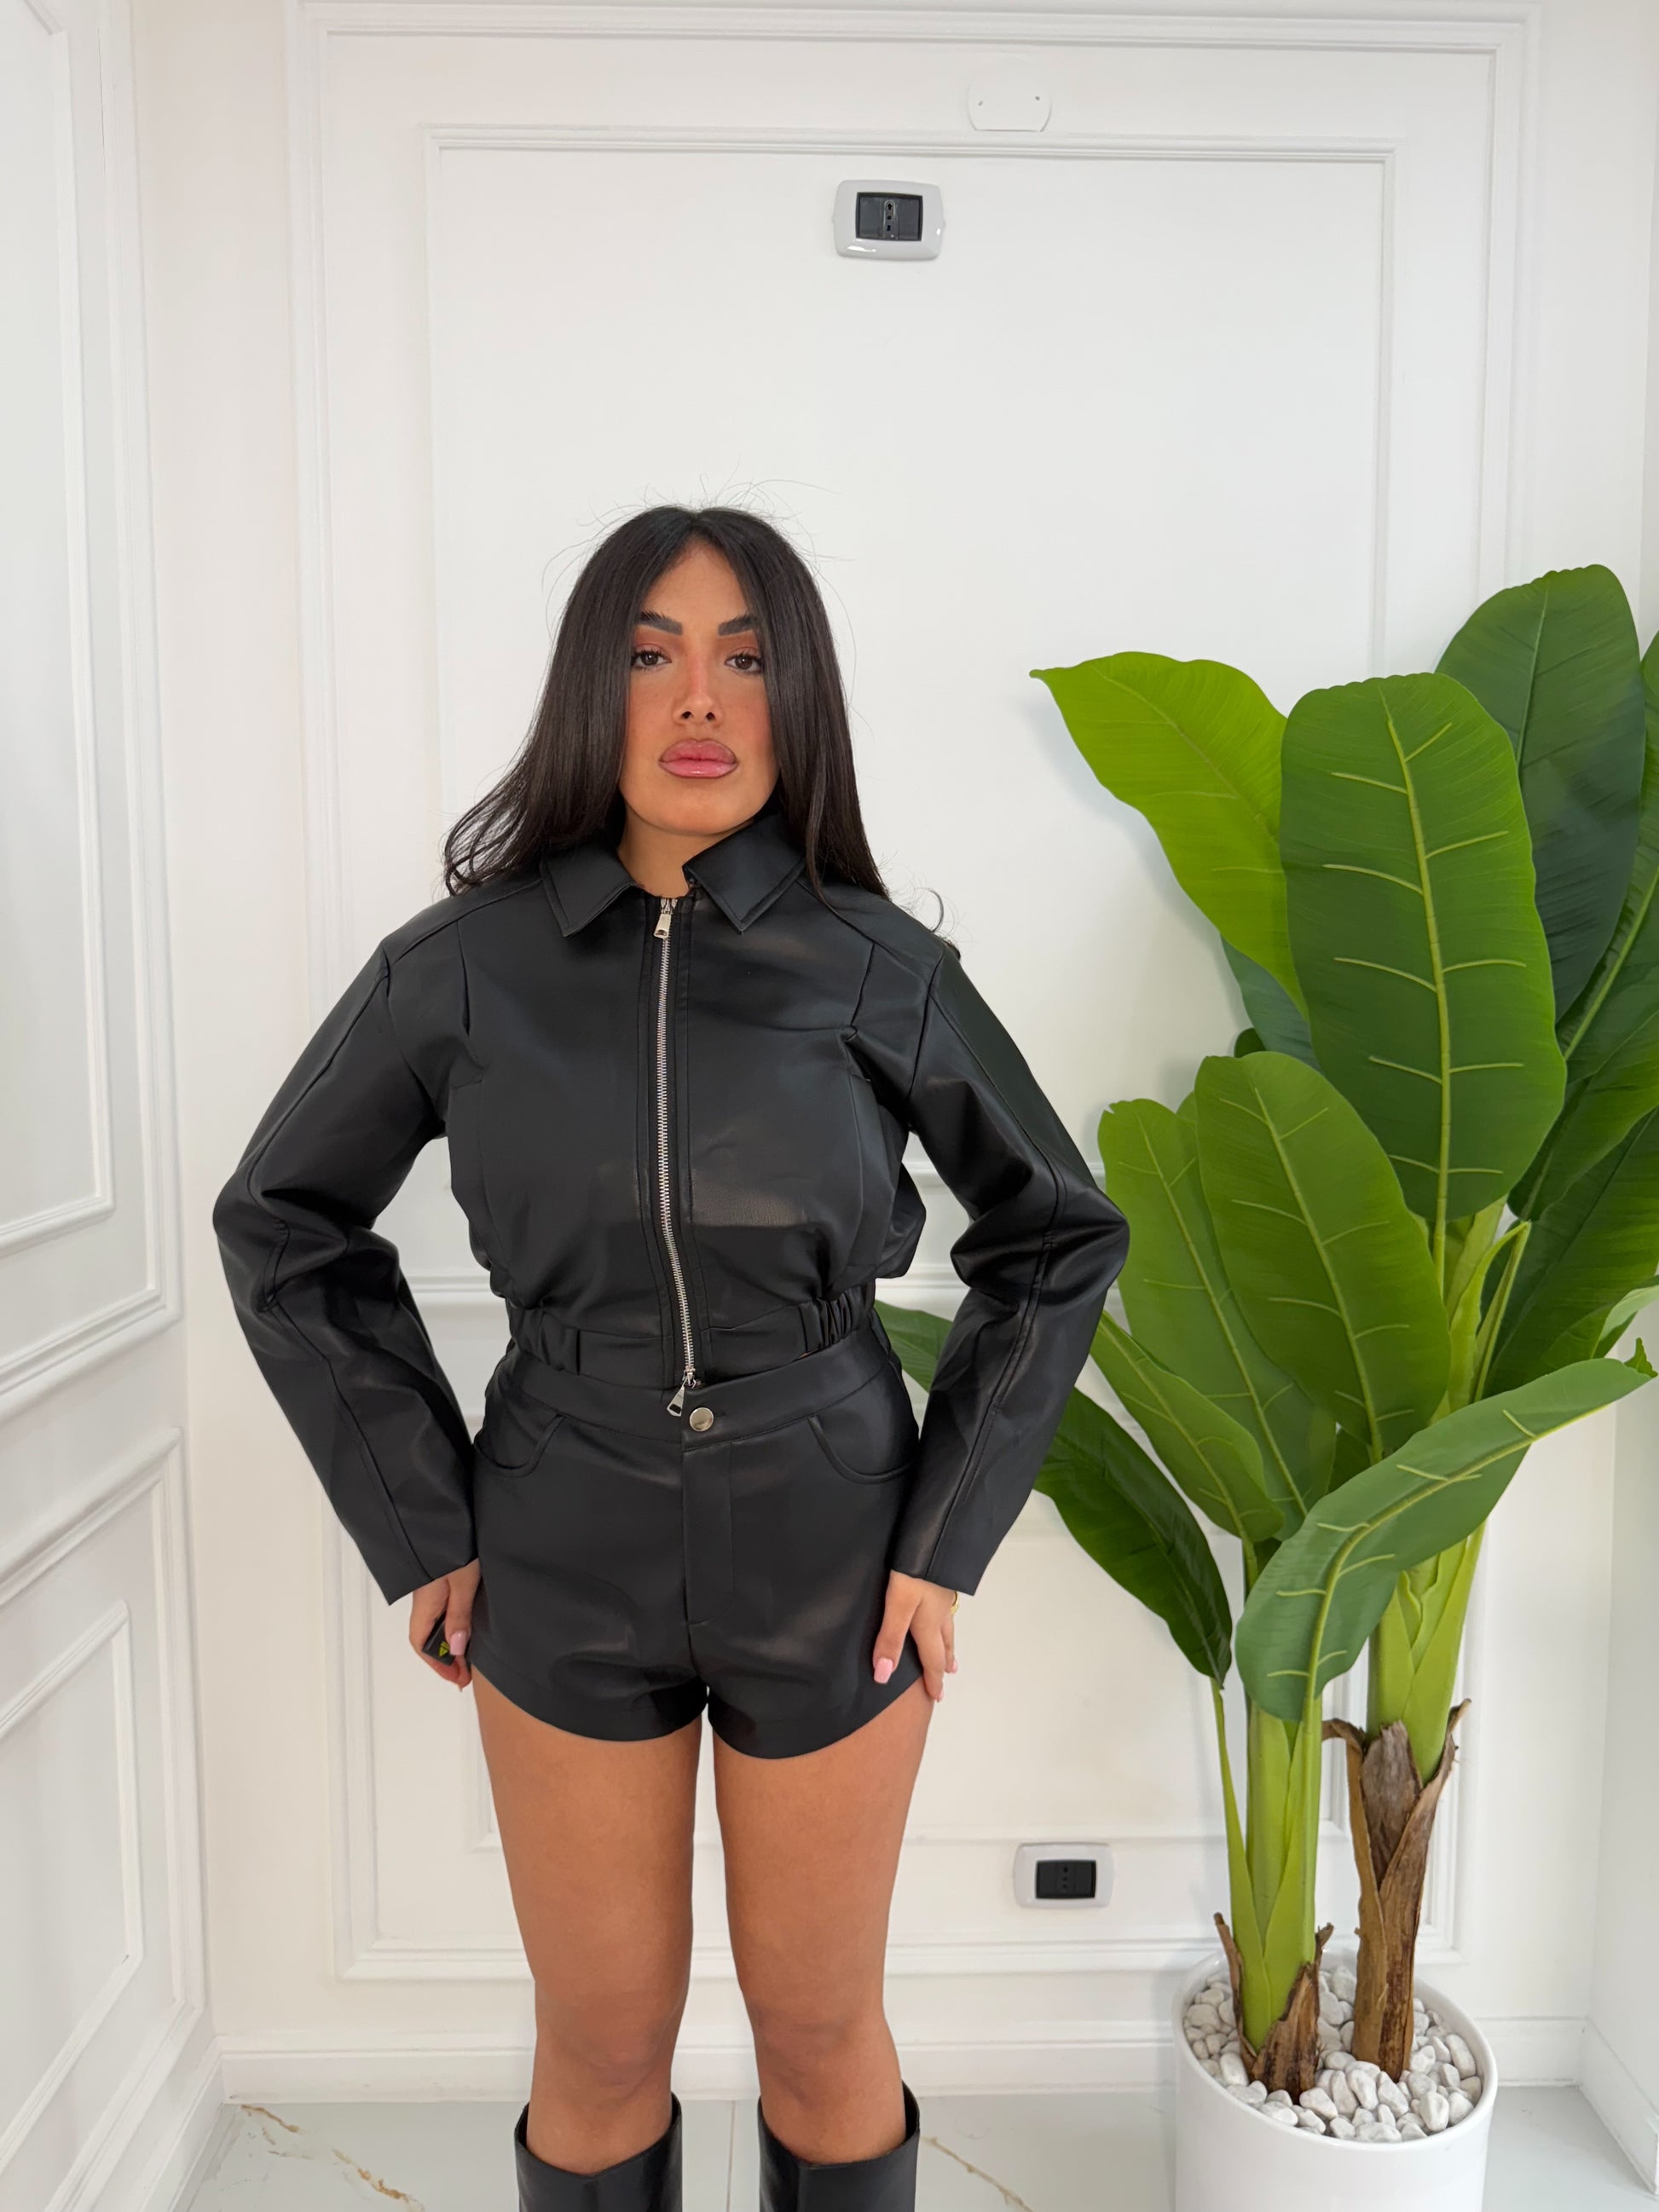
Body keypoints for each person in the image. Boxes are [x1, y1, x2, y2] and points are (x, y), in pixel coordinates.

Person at [212, 505, 1130, 2212]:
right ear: (592, 685)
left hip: (831, 1543)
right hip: (562, 1532)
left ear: (800, 698)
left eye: (745, 656)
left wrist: (946, 1538)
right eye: (650, 652)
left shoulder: (879, 968)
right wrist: (423, 1523)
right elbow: (280, 1221)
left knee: (819, 2031)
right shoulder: (459, 970)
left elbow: (1055, 1234)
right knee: (601, 2039)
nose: (697, 697)